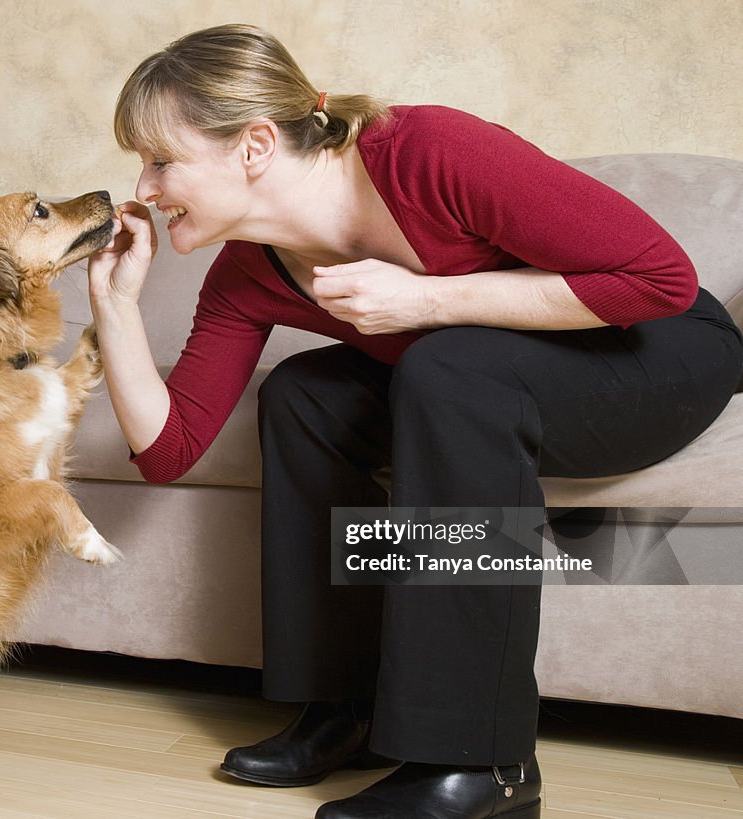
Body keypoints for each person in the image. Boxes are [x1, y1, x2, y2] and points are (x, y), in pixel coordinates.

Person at [87, 23, 743, 819]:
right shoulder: (245, 275)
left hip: (651, 353)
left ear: (254, 145)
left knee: (447, 362)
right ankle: (345, 708)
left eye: (161, 159)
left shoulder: (426, 151)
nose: (145, 186)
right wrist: (116, 305)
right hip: (489, 382)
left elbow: (658, 279)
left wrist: (430, 301)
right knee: (302, 394)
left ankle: (480, 764)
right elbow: (168, 450)